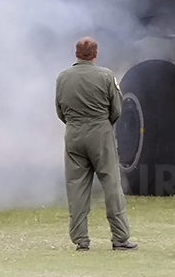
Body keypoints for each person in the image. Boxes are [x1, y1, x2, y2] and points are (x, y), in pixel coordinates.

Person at [55, 36, 136, 252]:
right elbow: (117, 109)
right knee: (111, 183)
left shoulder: (63, 77)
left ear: (76, 53)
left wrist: (75, 123)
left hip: (73, 131)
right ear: (95, 54)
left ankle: (81, 239)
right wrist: (102, 124)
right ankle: (120, 237)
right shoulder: (106, 76)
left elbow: (59, 109)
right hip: (100, 130)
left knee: (76, 186)